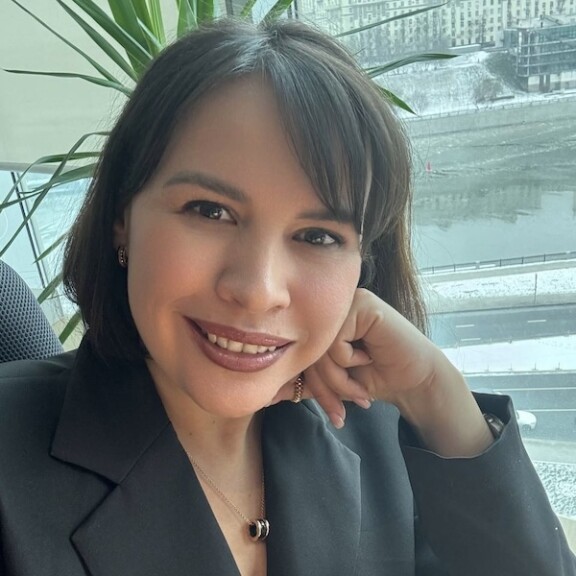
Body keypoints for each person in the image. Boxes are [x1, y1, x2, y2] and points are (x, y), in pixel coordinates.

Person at [0, 18, 574, 576]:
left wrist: (437, 395)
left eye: (318, 236)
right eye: (210, 211)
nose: (258, 290)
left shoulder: (378, 433)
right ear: (123, 218)